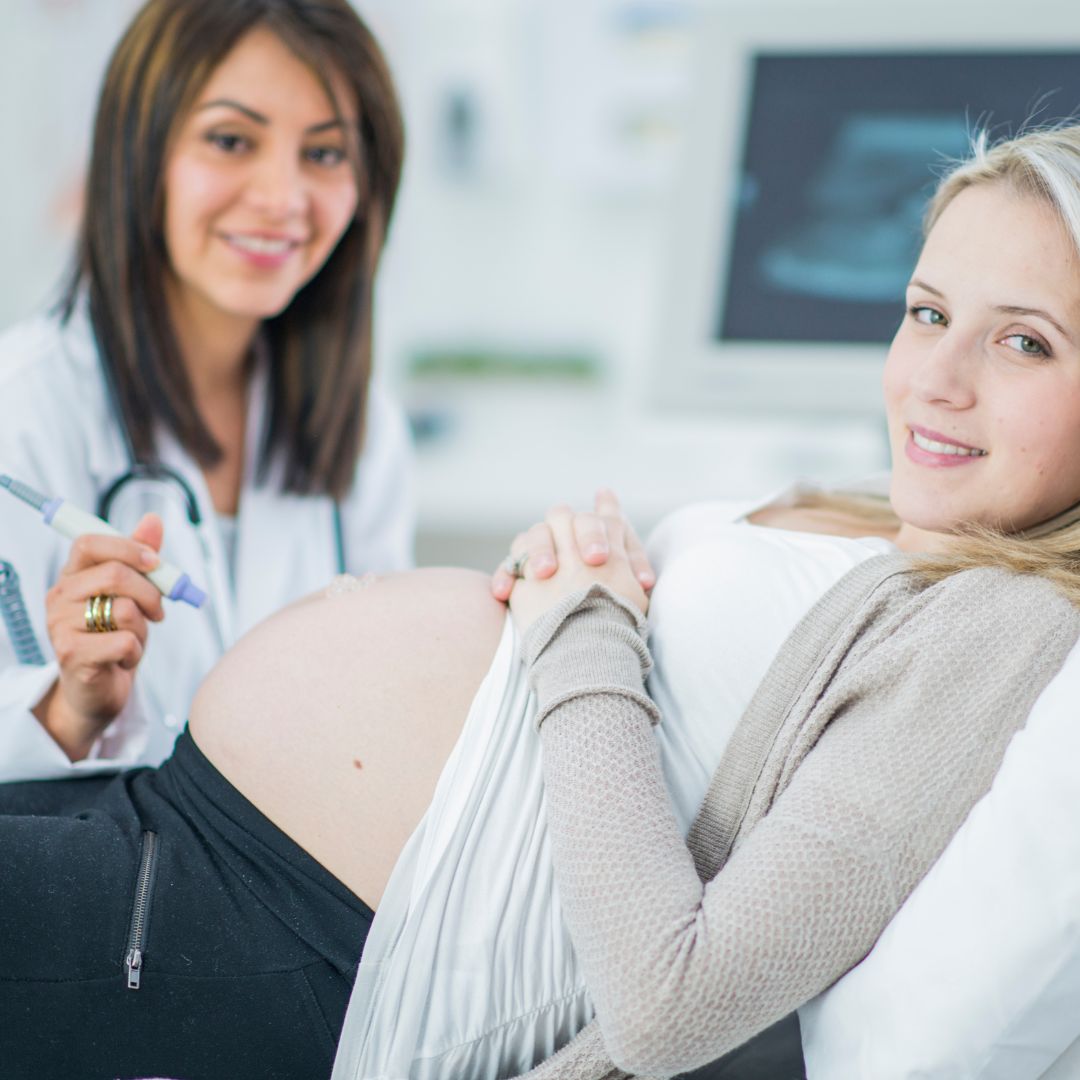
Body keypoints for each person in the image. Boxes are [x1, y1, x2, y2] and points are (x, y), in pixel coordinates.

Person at [4, 123, 1080, 1080]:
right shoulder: (893, 515)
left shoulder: (1008, 625)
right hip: (192, 815)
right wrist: (564, 590)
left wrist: (583, 626)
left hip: (289, 914)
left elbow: (671, 1008)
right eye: (926, 312)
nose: (935, 377)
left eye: (1025, 341)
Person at [0, 0, 414, 784]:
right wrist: (69, 708)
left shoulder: (363, 429)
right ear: (139, 153)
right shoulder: (19, 412)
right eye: (231, 140)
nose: (283, 197)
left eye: (325, 154)